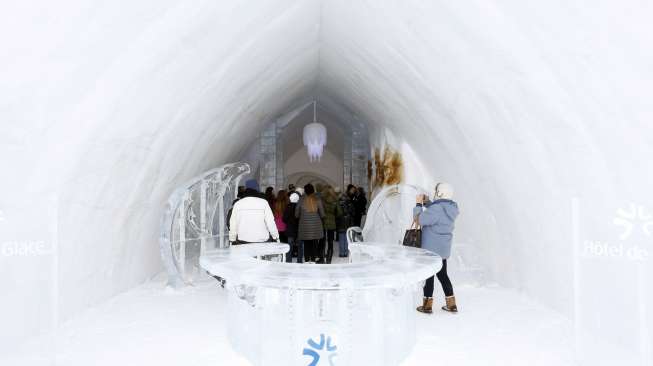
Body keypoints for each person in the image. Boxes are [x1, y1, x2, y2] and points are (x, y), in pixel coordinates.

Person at [413, 182, 460, 313]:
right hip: (443, 249)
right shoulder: (450, 208)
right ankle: (451, 304)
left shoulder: (437, 209)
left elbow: (419, 220)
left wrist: (418, 205)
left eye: (436, 191)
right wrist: (428, 202)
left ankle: (427, 305)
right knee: (443, 275)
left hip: (430, 250)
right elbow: (437, 212)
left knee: (429, 276)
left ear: (439, 193)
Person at [228, 179, 279, 244]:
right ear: (257, 189)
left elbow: (233, 223)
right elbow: (270, 222)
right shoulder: (263, 203)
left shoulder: (238, 204)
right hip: (262, 241)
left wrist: (232, 239)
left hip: (243, 240)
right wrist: (276, 237)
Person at [296, 184, 324, 263]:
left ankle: (307, 260)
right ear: (313, 190)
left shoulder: (301, 200)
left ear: (305, 191)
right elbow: (322, 214)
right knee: (314, 242)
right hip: (316, 225)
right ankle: (314, 258)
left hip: (304, 225)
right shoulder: (317, 199)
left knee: (306, 243)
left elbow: (296, 214)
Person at [321, 185, 342, 264]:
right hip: (332, 223)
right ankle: (329, 259)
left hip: (323, 222)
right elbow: (340, 212)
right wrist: (334, 215)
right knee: (330, 242)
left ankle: (322, 258)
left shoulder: (321, 200)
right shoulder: (335, 200)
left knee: (322, 241)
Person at [338, 185, 356, 257]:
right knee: (346, 236)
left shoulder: (340, 201)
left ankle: (342, 252)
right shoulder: (349, 201)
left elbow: (338, 212)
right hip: (347, 220)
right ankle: (345, 252)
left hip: (341, 221)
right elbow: (352, 211)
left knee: (342, 236)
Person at [284, 192, 301, 262]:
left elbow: (284, 218)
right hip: (299, 229)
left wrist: (288, 223)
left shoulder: (288, 207)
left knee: (289, 246)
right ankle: (299, 260)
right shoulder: (300, 206)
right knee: (300, 246)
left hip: (290, 229)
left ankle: (288, 260)